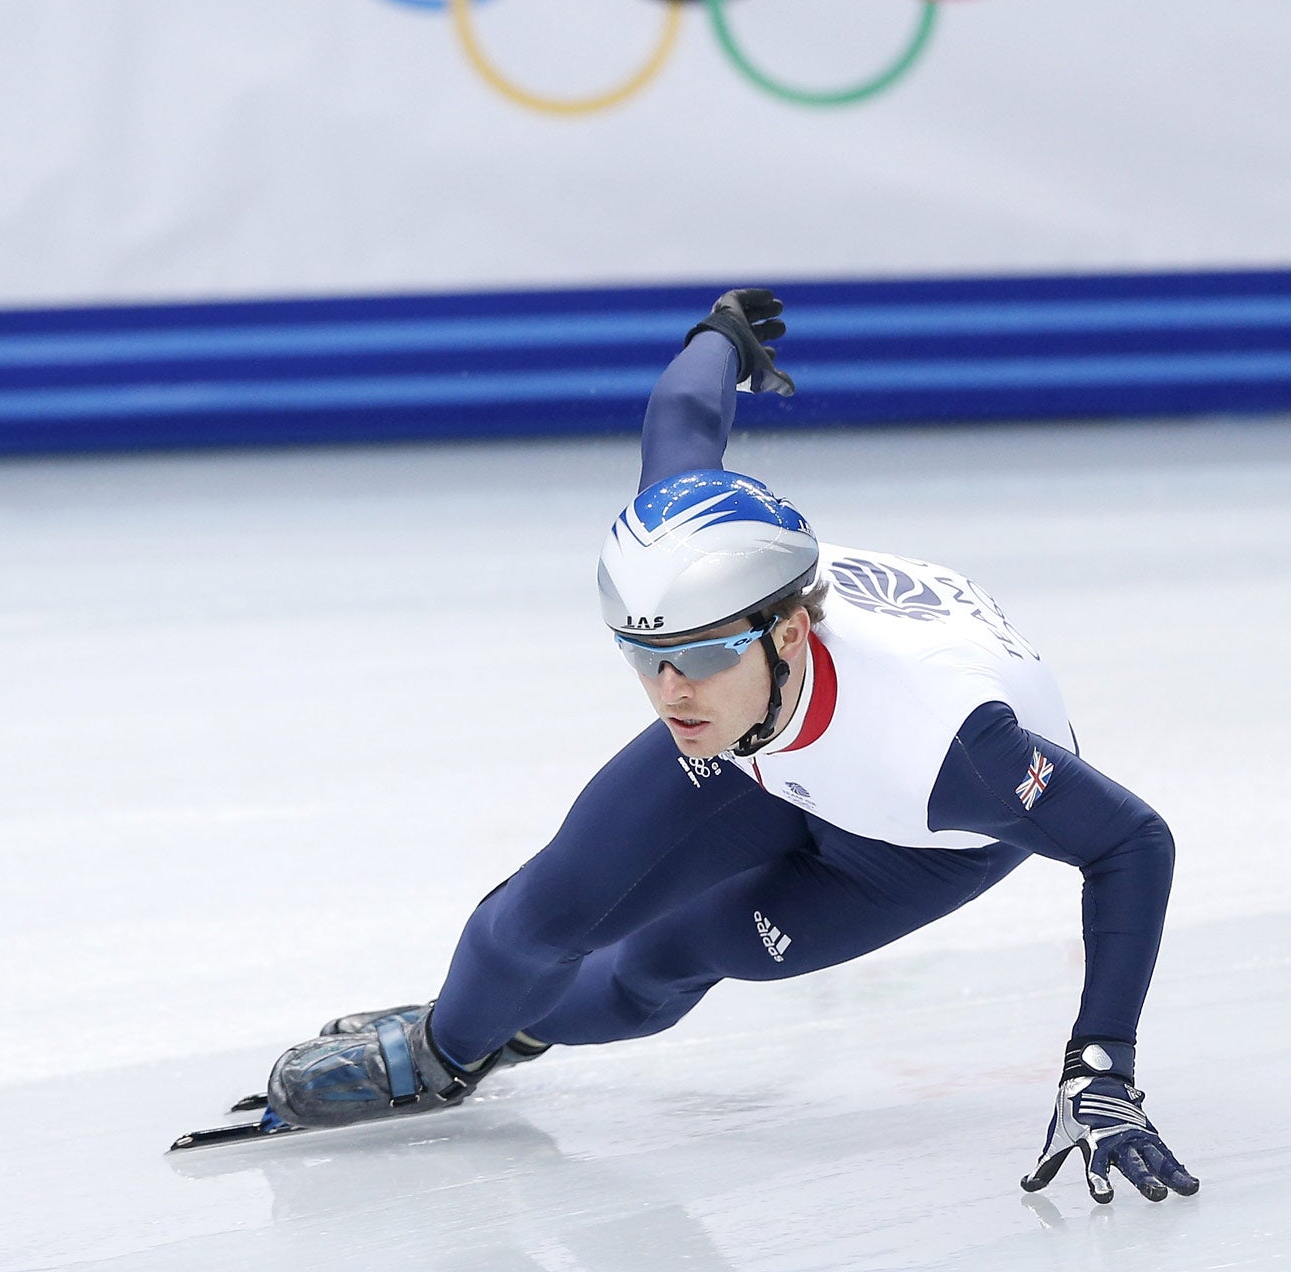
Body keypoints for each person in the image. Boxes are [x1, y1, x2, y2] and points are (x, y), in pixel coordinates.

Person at [260, 290, 1199, 1206]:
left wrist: (1101, 1070)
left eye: (700, 658)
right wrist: (724, 335)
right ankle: (445, 1048)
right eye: (645, 657)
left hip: (908, 844)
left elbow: (1129, 841)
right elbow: (682, 414)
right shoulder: (690, 578)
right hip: (772, 746)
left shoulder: (949, 743)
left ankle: (522, 1025)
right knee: (544, 912)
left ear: (786, 633)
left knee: (655, 966)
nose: (671, 693)